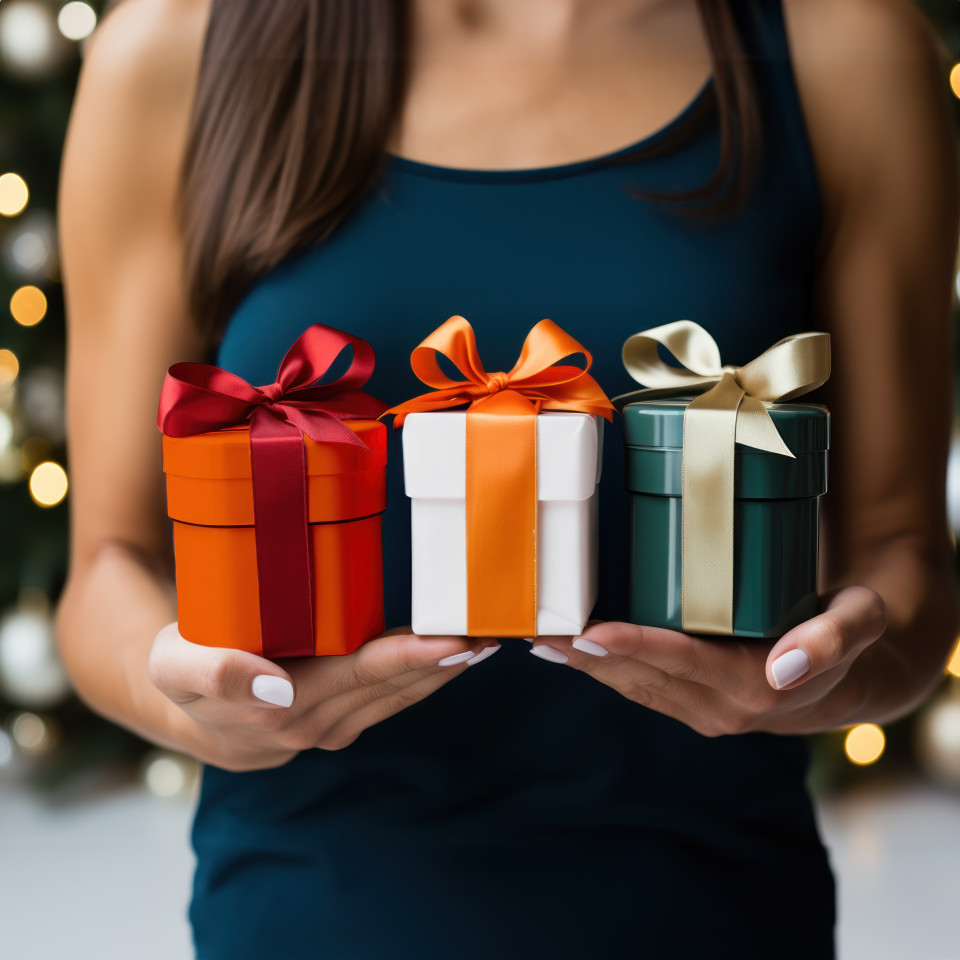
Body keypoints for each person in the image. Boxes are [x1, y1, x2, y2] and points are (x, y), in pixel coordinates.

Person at [55, 0, 958, 956]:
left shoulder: (842, 47)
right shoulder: (173, 51)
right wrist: (192, 703)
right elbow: (107, 564)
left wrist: (828, 683)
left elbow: (905, 556)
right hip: (312, 908)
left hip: (710, 905)